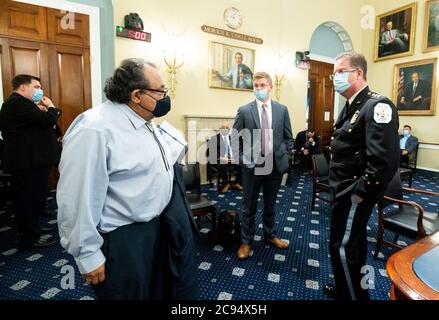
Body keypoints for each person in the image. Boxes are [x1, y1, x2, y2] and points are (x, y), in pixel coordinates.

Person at [57, 58, 198, 300]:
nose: (165, 96)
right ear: (136, 95)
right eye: (161, 91)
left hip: (154, 228)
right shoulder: (95, 128)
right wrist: (87, 254)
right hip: (122, 238)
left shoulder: (145, 120)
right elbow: (77, 196)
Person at [325, 52, 399, 300]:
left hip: (354, 193)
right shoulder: (353, 105)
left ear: (357, 73)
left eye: (339, 71)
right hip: (343, 188)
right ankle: (351, 289)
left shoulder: (378, 106)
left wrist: (361, 193)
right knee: (354, 244)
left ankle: (352, 297)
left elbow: (384, 161)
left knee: (343, 246)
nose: (334, 77)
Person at [231, 71, 293, 260]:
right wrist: (243, 159)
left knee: (270, 204)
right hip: (252, 166)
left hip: (274, 165)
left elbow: (288, 137)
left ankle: (270, 235)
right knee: (248, 206)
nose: (259, 89)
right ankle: (246, 241)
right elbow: (235, 138)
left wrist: (285, 155)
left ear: (270, 87)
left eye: (263, 85)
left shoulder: (282, 109)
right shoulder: (244, 110)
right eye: (256, 86)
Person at [0, 74, 61, 249]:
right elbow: (47, 120)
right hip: (27, 162)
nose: (39, 90)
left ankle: (32, 231)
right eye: (36, 86)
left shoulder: (24, 104)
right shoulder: (17, 103)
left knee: (32, 200)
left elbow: (46, 124)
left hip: (32, 161)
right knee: (27, 202)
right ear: (23, 87)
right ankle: (29, 239)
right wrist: (50, 106)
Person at [207, 122, 243, 193]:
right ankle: (226, 184)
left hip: (231, 159)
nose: (225, 129)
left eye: (227, 128)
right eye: (223, 128)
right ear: (220, 129)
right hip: (219, 159)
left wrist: (235, 157)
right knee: (221, 165)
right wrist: (221, 158)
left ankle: (237, 183)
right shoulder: (214, 138)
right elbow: (209, 153)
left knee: (243, 163)